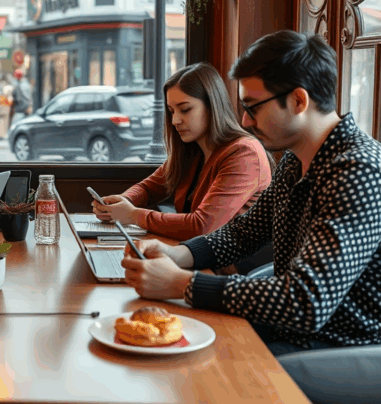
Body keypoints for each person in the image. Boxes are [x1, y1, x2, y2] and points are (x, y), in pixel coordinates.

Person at [121, 30, 381, 356]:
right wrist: (179, 255)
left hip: (338, 344)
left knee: (208, 367)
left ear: (299, 101)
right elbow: (244, 233)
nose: (244, 119)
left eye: (253, 106)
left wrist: (181, 283)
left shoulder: (358, 171)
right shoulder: (295, 158)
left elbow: (306, 302)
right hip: (292, 329)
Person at [93, 63, 272, 242]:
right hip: (193, 253)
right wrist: (123, 202)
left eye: (185, 109)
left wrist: (133, 215)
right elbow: (148, 188)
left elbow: (202, 226)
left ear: (212, 106)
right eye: (171, 112)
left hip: (226, 266)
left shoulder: (244, 153)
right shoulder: (191, 150)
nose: (175, 121)